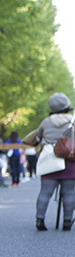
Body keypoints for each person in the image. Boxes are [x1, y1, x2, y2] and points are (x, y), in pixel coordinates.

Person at [34, 93, 75, 231]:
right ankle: (67, 222)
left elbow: (38, 137)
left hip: (49, 161)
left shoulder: (46, 122)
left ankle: (40, 220)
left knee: (45, 192)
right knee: (69, 193)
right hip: (69, 161)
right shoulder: (73, 121)